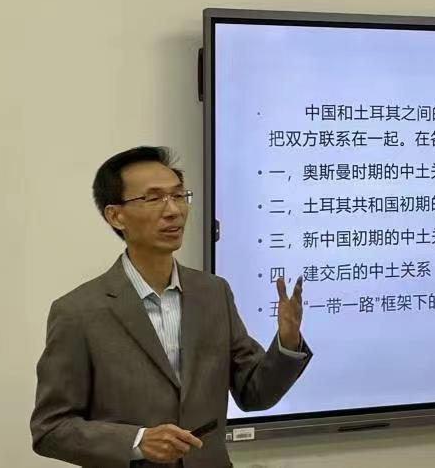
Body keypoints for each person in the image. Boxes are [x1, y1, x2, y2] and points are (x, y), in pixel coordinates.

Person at [30, 146, 311, 467]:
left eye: (178, 196)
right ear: (116, 215)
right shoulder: (79, 312)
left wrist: (287, 342)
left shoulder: (213, 293)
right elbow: (50, 429)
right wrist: (137, 442)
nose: (173, 210)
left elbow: (254, 394)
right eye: (153, 199)